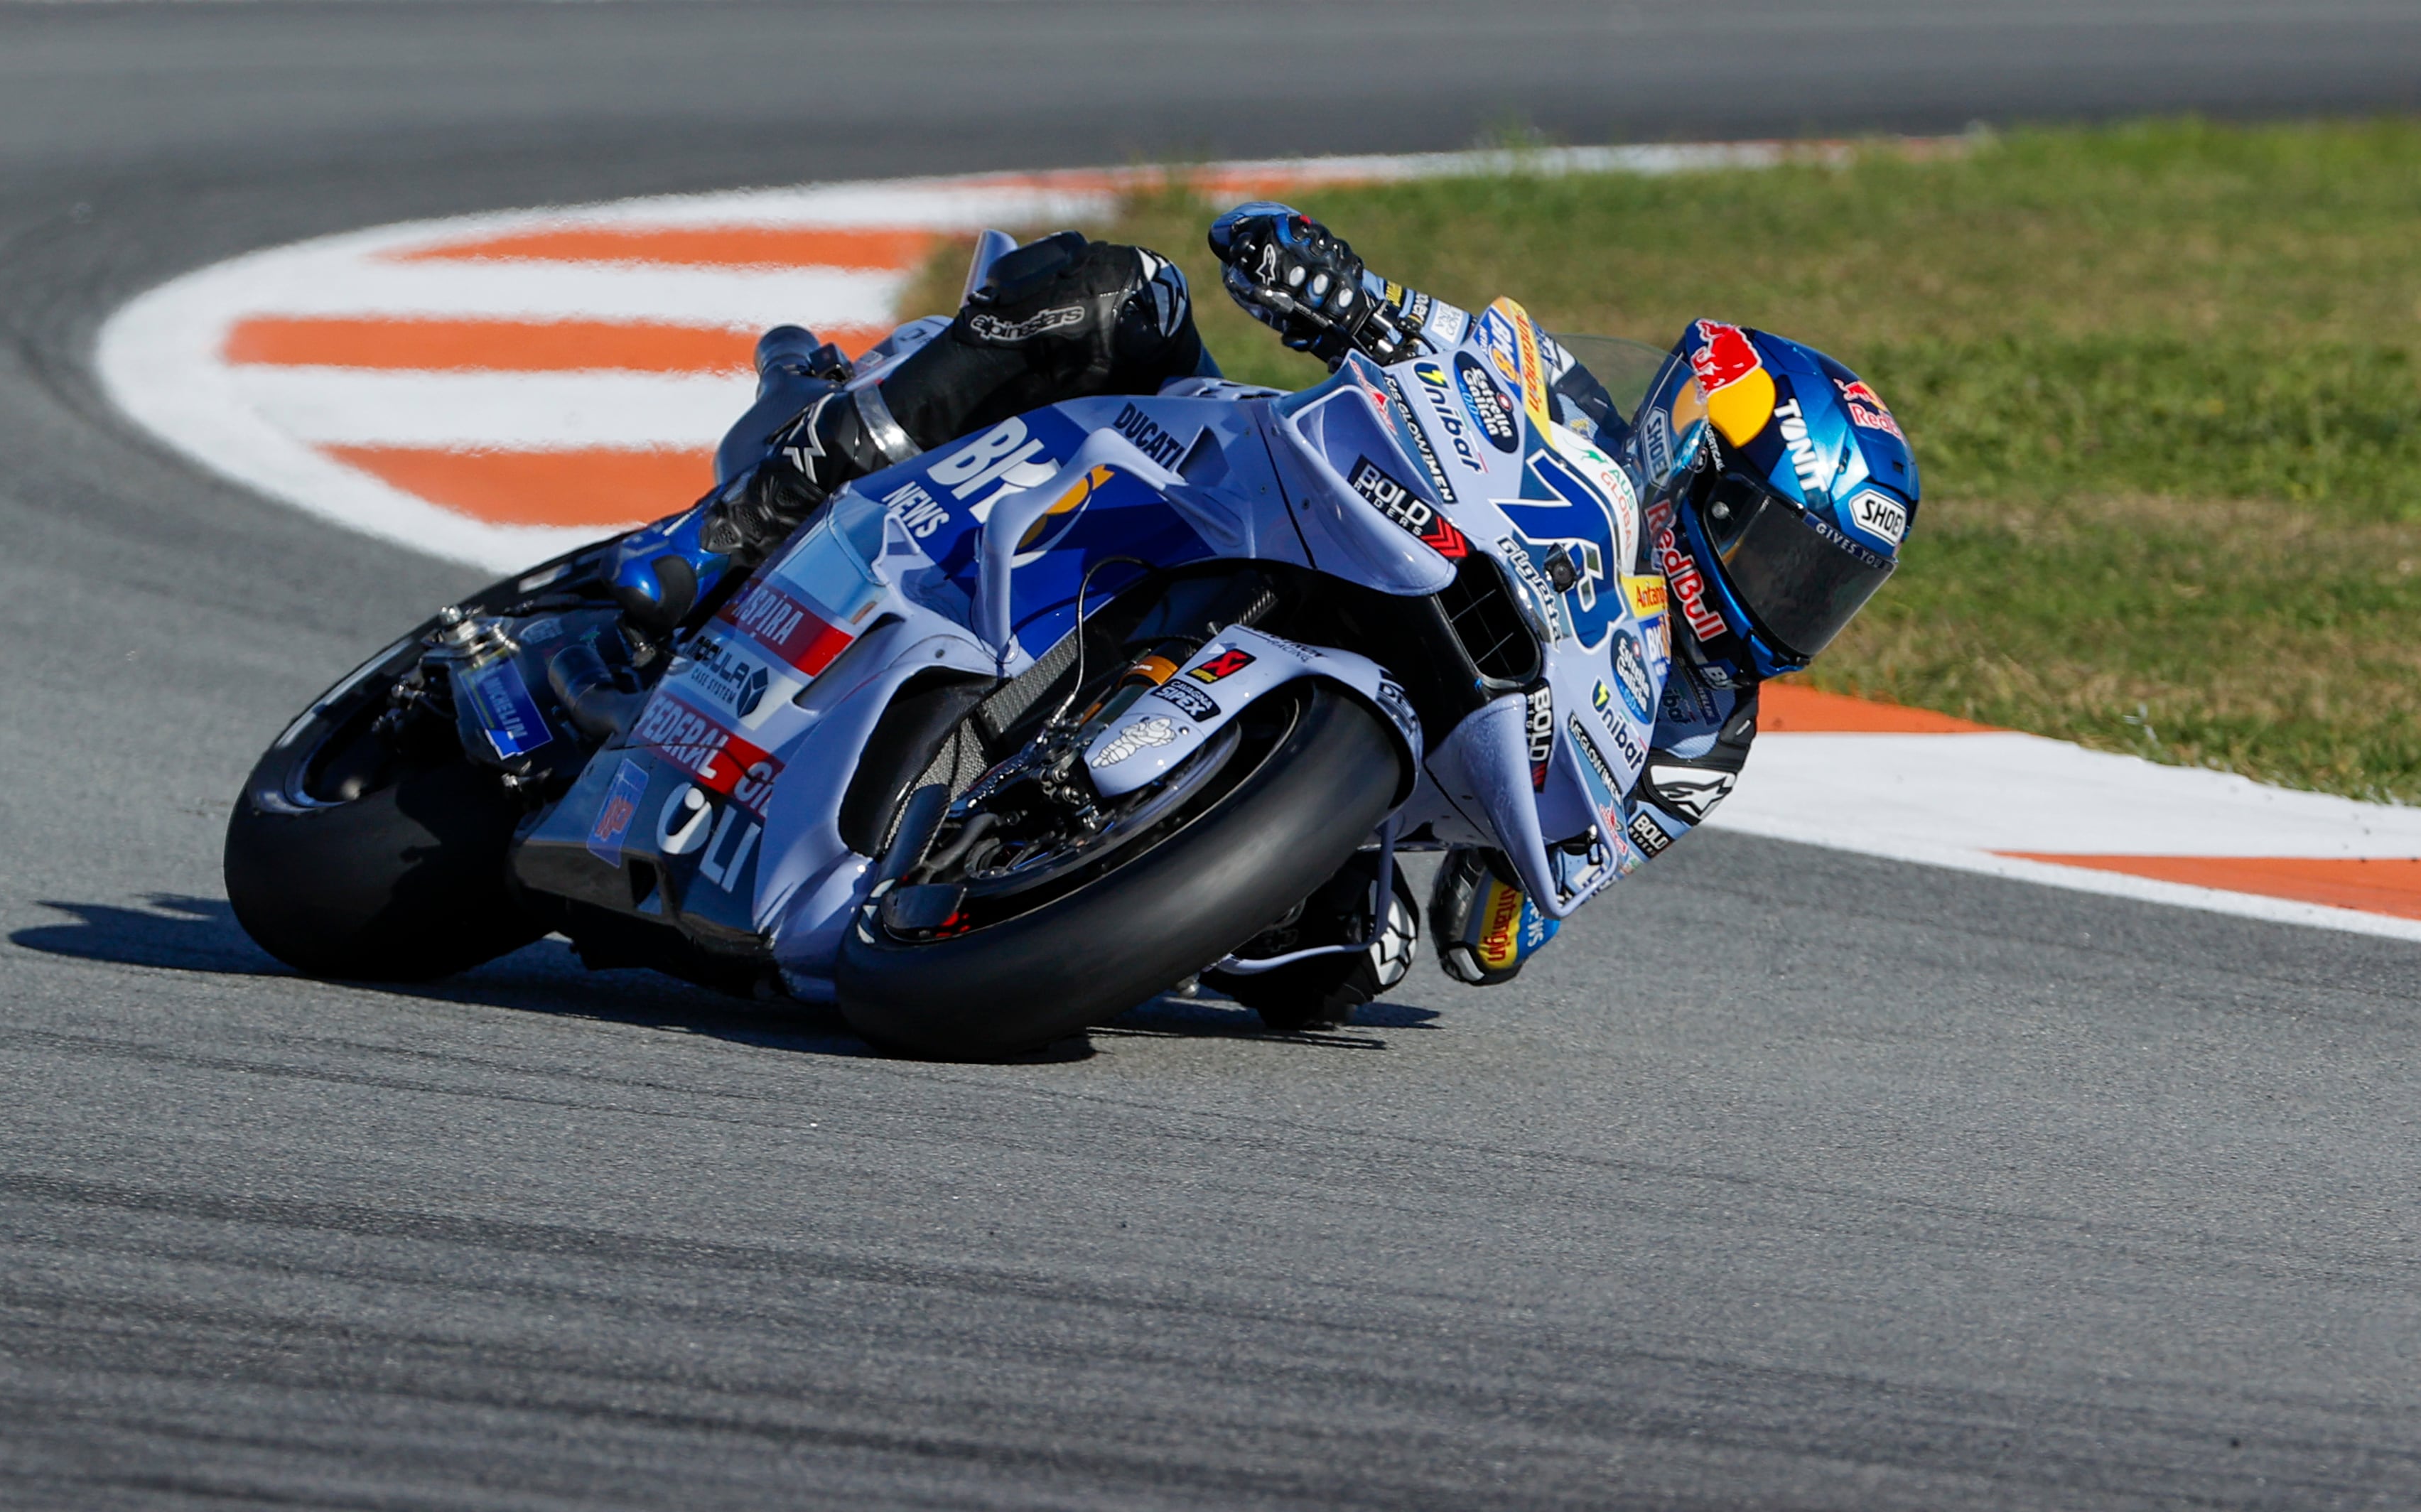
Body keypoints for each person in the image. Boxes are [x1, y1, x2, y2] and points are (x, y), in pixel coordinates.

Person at [698, 202, 1918, 1001]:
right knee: (1117, 291)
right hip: (1274, 502)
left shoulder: (1706, 739)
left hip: (1381, 767)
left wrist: (1507, 903)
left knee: (1347, 966)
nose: (1790, 604)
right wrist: (1332, 284)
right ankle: (764, 500)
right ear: (1699, 465)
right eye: (1780, 556)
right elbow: (1433, 335)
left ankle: (1059, 881)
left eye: (1827, 589)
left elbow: (1501, 924)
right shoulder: (1581, 408)